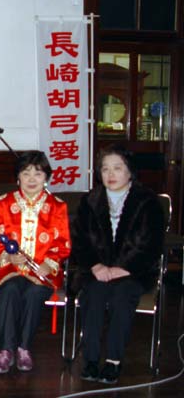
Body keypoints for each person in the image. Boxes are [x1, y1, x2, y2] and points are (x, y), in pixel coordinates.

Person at [73, 144, 164, 385]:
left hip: (133, 272)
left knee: (122, 296)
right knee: (93, 295)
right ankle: (91, 360)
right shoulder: (90, 201)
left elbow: (151, 244)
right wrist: (95, 266)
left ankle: (113, 360)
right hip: (97, 271)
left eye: (117, 168)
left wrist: (123, 267)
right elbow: (80, 241)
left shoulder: (147, 202)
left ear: (130, 171)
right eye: (105, 169)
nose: (110, 174)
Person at [0, 151, 71, 374]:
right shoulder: (4, 203)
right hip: (12, 269)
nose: (32, 179)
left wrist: (50, 263)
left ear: (46, 178)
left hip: (43, 271)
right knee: (10, 290)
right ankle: (6, 350)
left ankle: (24, 348)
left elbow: (63, 243)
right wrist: (7, 256)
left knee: (34, 293)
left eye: (38, 173)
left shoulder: (57, 206)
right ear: (18, 177)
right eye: (26, 173)